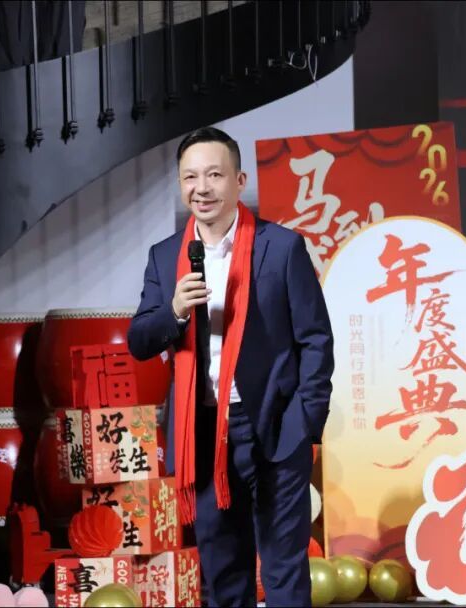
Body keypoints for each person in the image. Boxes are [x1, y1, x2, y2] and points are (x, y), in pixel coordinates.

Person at [127, 127, 334, 606]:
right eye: (190, 177)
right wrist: (175, 311)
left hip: (275, 428)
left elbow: (315, 339)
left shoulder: (280, 248)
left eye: (214, 175)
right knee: (223, 577)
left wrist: (305, 421)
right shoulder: (166, 256)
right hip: (202, 434)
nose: (202, 188)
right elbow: (140, 341)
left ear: (239, 181)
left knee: (283, 573)